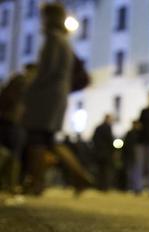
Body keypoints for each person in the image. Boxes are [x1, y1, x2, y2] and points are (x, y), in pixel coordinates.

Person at [22, 3, 93, 195]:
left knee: (37, 138)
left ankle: (36, 183)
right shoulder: (64, 41)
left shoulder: (53, 39)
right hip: (57, 96)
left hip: (46, 96)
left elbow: (47, 71)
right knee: (49, 139)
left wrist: (29, 89)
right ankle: (80, 176)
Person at [0, 64, 36, 195]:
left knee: (7, 152)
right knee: (15, 154)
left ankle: (8, 184)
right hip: (17, 121)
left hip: (6, 119)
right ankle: (11, 184)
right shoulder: (27, 83)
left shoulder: (14, 80)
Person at [92, 114, 115, 191]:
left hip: (98, 152)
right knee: (106, 170)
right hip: (106, 153)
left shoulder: (98, 127)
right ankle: (105, 187)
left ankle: (99, 186)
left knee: (99, 170)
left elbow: (94, 139)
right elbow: (110, 140)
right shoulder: (107, 128)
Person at [123, 120, 142, 193]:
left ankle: (136, 188)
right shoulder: (130, 133)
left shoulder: (140, 134)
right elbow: (126, 145)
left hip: (135, 156)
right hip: (130, 155)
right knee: (130, 172)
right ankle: (130, 187)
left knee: (135, 172)